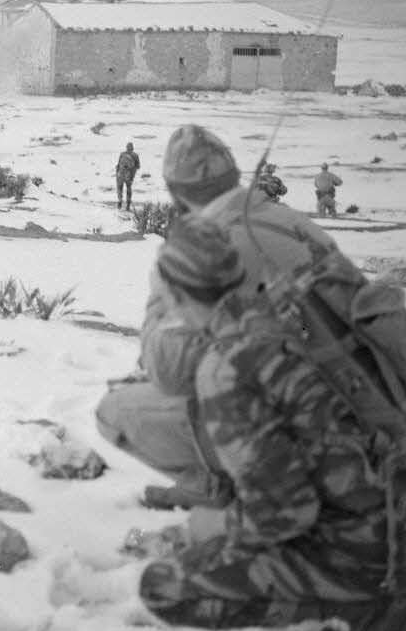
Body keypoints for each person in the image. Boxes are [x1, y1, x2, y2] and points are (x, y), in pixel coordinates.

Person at [137, 215, 406, 631]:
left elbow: (288, 511)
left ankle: (365, 612)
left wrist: (219, 526)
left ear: (175, 293)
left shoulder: (225, 367)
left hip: (366, 552)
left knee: (161, 587)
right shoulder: (284, 313)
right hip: (401, 515)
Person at [96, 124, 367, 512]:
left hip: (305, 428)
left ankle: (219, 490)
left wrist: (162, 301)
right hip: (363, 404)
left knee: (115, 411)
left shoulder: (210, 242)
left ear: (174, 191)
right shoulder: (292, 221)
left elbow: (166, 370)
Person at [115, 141, 141, 210]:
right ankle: (128, 204)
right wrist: (132, 170)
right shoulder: (135, 155)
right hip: (129, 175)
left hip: (120, 174)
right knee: (128, 189)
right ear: (133, 148)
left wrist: (117, 173)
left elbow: (118, 165)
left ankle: (120, 202)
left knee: (119, 188)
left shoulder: (122, 154)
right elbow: (138, 166)